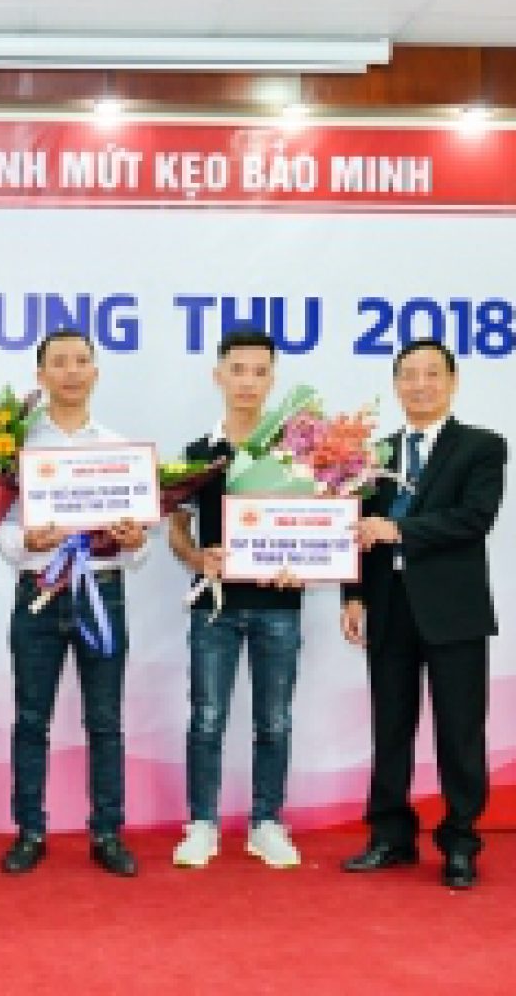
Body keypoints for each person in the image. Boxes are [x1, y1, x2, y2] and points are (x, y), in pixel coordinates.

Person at [340, 338, 507, 890]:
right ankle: (390, 835)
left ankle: (460, 842)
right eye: (409, 375)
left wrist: (399, 529)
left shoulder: (482, 446)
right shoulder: (374, 455)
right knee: (390, 727)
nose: (420, 384)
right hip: (389, 607)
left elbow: (474, 518)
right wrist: (353, 596)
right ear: (396, 384)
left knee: (460, 731)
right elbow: (356, 532)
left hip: (453, 611)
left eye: (432, 374)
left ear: (452, 382)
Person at [0, 329, 148, 877]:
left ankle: (107, 831)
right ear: (40, 374)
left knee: (104, 720)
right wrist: (27, 541)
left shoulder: (117, 449)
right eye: (59, 362)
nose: (71, 371)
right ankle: (29, 831)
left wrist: (134, 540)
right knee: (30, 719)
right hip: (38, 590)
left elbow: (137, 548)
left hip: (101, 593)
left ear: (95, 372)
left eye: (81, 360)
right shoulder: (15, 447)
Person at [168, 329, 304, 870]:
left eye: (259, 371)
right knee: (207, 718)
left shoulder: (295, 452)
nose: (248, 381)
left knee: (275, 721)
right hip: (215, 607)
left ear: (272, 379)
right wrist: (196, 558)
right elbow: (177, 529)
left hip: (280, 607)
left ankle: (266, 823)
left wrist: (307, 561)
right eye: (238, 370)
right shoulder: (198, 454)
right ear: (218, 376)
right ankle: (201, 823)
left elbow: (317, 524)